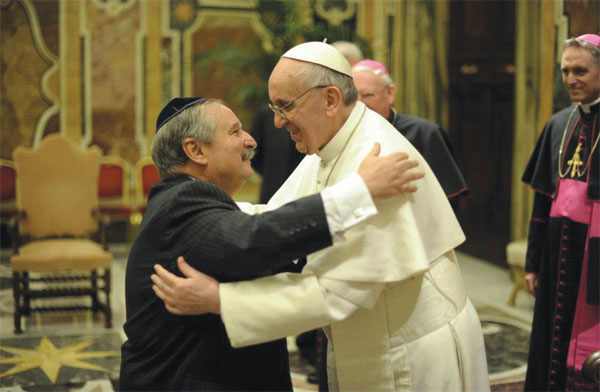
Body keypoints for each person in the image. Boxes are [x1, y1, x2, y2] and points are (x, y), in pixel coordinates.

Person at [152, 41, 490, 391]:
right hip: (373, 336)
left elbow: (336, 292)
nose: (277, 122)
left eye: (285, 106)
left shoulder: (377, 160)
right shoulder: (331, 142)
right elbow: (280, 217)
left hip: (409, 349)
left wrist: (220, 300)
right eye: (274, 107)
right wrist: (190, 212)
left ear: (329, 99)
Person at [119, 97, 424, 391]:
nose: (251, 140)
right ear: (195, 150)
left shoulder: (185, 203)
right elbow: (254, 240)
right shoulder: (183, 200)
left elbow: (271, 256)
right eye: (235, 131)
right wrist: (360, 191)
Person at [522, 33, 599, 391]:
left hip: (594, 255)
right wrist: (533, 262)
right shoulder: (557, 124)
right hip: (557, 248)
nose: (570, 79)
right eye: (566, 70)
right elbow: (541, 202)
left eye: (580, 70)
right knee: (550, 334)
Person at [352, 59, 468, 209]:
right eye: (352, 97)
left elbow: (450, 197)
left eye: (368, 95)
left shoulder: (425, 133)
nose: (360, 104)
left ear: (390, 93)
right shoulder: (342, 134)